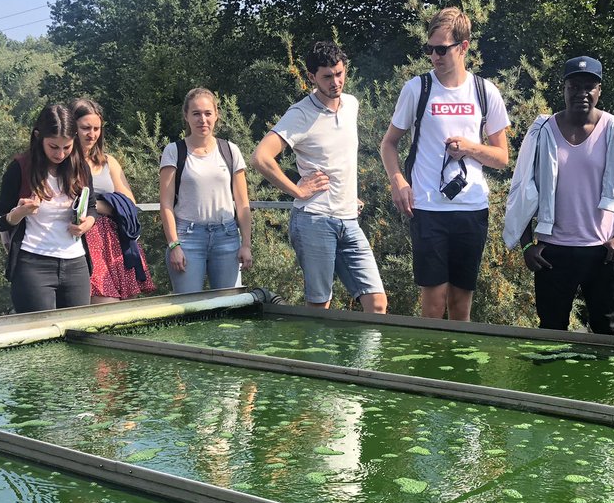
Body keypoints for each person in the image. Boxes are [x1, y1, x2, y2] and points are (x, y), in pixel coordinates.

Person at [503, 57, 614, 334]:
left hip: (604, 253)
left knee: (607, 333)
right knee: (551, 334)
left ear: (599, 90)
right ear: (563, 88)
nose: (582, 94)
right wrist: (527, 245)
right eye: (575, 86)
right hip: (552, 253)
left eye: (590, 87)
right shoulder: (542, 132)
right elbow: (522, 191)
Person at [380, 8, 511, 320]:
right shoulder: (418, 88)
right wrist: (398, 181)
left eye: (441, 49)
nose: (434, 56)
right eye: (430, 49)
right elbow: (388, 143)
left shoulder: (485, 91)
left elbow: (502, 158)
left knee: (461, 308)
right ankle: (429, 367)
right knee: (434, 304)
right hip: (428, 208)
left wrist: (469, 148)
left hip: (472, 209)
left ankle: (457, 370)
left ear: (463, 47)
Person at [252, 41, 386, 312]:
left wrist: (349, 194)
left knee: (377, 303)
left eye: (339, 73)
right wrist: (297, 191)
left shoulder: (351, 104)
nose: (336, 82)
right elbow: (261, 157)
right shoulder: (300, 113)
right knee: (320, 304)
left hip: (348, 219)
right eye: (327, 76)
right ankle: (315, 356)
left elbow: (338, 157)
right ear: (312, 77)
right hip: (313, 219)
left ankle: (362, 358)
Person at [0, 104, 97, 313]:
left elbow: (92, 207)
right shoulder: (20, 167)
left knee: (79, 334)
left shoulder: (81, 167)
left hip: (76, 263)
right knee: (41, 337)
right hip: (33, 264)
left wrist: (87, 223)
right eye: (53, 147)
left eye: (67, 147)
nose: (60, 154)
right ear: (38, 137)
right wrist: (19, 213)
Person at [159, 88, 252, 293]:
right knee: (189, 308)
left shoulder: (230, 150)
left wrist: (246, 244)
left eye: (208, 113)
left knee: (229, 307)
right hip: (187, 238)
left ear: (216, 115)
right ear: (186, 116)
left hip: (227, 236)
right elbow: (165, 204)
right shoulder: (174, 151)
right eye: (196, 113)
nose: (203, 119)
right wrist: (174, 245)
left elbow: (243, 203)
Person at [71, 98, 154, 304]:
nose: (92, 134)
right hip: (83, 240)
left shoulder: (108, 161)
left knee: (125, 310)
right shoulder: (63, 163)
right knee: (102, 305)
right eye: (85, 128)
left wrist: (96, 206)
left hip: (114, 240)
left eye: (96, 128)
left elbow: (129, 203)